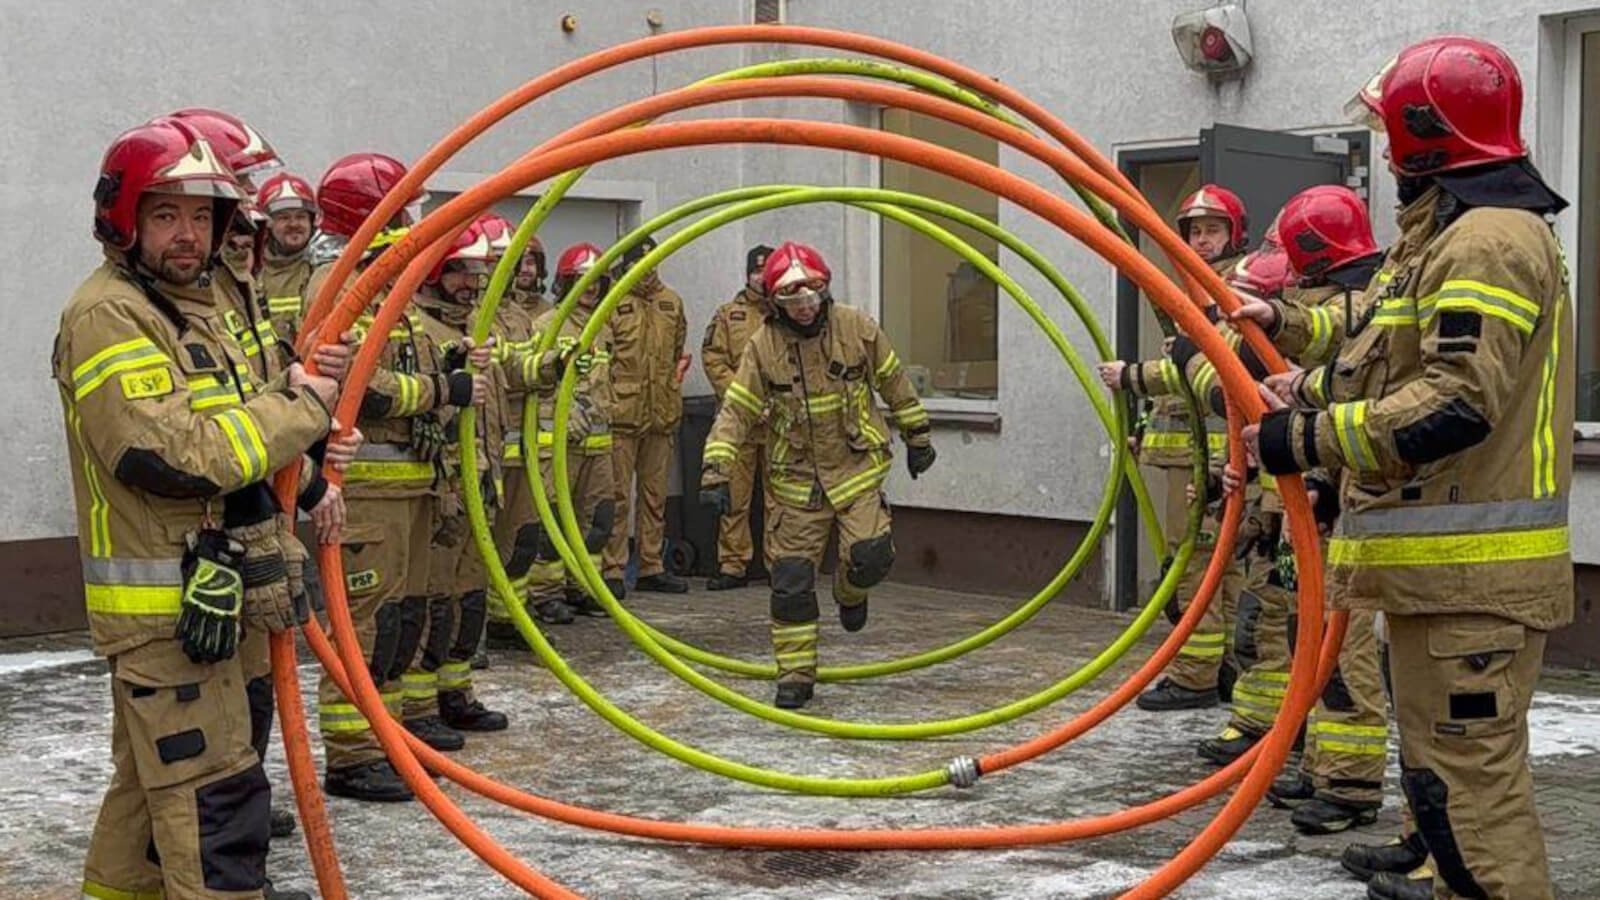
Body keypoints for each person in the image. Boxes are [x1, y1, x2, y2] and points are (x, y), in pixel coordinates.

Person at [1239, 36, 1572, 900]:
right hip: (1442, 580)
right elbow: (1388, 364)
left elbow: (1457, 403)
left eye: (1391, 132)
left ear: (1426, 135)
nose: (1385, 153)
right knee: (1446, 785)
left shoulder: (1488, 241)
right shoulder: (1445, 237)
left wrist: (1302, 441)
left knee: (1474, 801)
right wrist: (1304, 385)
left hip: (1475, 585)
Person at [60, 118, 352, 900]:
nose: (188, 236)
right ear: (124, 219)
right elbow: (172, 453)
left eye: (201, 216)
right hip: (168, 616)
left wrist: (304, 421)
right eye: (165, 215)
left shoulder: (188, 307)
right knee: (214, 814)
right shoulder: (109, 315)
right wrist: (304, 410)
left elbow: (240, 423)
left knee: (145, 815)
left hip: (203, 603)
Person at [304, 152, 483, 801]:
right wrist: (440, 389)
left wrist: (453, 363)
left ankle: (390, 737)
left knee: (402, 620)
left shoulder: (385, 290)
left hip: (407, 488)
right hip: (368, 493)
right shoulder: (341, 285)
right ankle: (351, 755)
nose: (413, 224)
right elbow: (357, 389)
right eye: (402, 212)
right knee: (365, 622)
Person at [699, 241, 935, 709]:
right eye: (791, 301)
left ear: (825, 290)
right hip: (795, 482)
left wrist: (918, 435)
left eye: (811, 297)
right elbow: (738, 409)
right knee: (789, 581)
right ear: (775, 303)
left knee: (869, 556)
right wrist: (716, 468)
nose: (804, 308)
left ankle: (850, 592)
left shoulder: (857, 328)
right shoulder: (763, 346)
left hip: (855, 469)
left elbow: (894, 382)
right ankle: (795, 675)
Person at [1248, 185, 1397, 839]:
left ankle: (1351, 781)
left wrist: (1328, 489)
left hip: (1339, 509)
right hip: (1305, 505)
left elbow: (1352, 401)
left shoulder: (1363, 302)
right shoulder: (1333, 302)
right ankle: (1318, 764)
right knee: (1304, 638)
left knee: (1345, 648)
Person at [1097, 184, 1251, 713]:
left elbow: (1209, 366)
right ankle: (1227, 666)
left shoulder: (1234, 289)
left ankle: (1195, 677)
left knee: (1194, 566)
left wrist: (1132, 376)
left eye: (1213, 230)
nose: (1202, 240)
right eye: (1194, 231)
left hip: (1208, 459)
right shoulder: (1199, 289)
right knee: (1219, 568)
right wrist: (1144, 419)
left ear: (1236, 235)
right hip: (1193, 452)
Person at [398, 219, 512, 741]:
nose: (472, 282)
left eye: (478, 272)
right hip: (443, 487)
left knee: (469, 596)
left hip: (481, 480)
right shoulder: (421, 328)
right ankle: (419, 709)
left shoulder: (480, 325)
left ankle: (456, 692)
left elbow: (512, 383)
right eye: (461, 271)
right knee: (434, 598)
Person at [480, 219, 579, 634]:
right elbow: (500, 371)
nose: (506, 269)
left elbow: (522, 370)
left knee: (519, 538)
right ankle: (475, 628)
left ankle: (508, 619)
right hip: (482, 450)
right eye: (496, 261)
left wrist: (553, 364)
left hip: (520, 450)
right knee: (475, 545)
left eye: (512, 261)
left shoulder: (519, 317)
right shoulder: (470, 316)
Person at [519, 243, 618, 619]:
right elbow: (530, 379)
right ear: (564, 282)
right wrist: (560, 412)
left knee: (597, 518)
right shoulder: (547, 325)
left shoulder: (604, 327)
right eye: (581, 280)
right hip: (556, 444)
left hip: (599, 445)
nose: (590, 288)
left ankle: (584, 585)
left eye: (597, 282)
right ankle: (546, 594)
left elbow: (608, 380)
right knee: (553, 520)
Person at [602, 237, 690, 597]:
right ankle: (613, 568)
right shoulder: (613, 302)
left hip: (660, 414)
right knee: (618, 496)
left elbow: (675, 351)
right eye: (640, 262)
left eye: (653, 260)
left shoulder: (671, 302)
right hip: (622, 414)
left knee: (655, 496)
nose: (648, 268)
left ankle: (652, 565)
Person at [700, 244, 774, 590]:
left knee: (782, 500)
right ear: (747, 274)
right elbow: (714, 360)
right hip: (741, 423)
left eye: (766, 269)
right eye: (755, 269)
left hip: (779, 423)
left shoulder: (788, 314)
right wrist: (744, 400)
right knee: (735, 498)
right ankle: (732, 564)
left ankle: (781, 564)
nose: (760, 275)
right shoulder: (728, 315)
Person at [256, 172, 320, 346]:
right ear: (268, 224)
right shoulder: (251, 271)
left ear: (312, 221)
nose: (294, 224)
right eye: (284, 218)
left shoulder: (322, 269)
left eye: (300, 216)